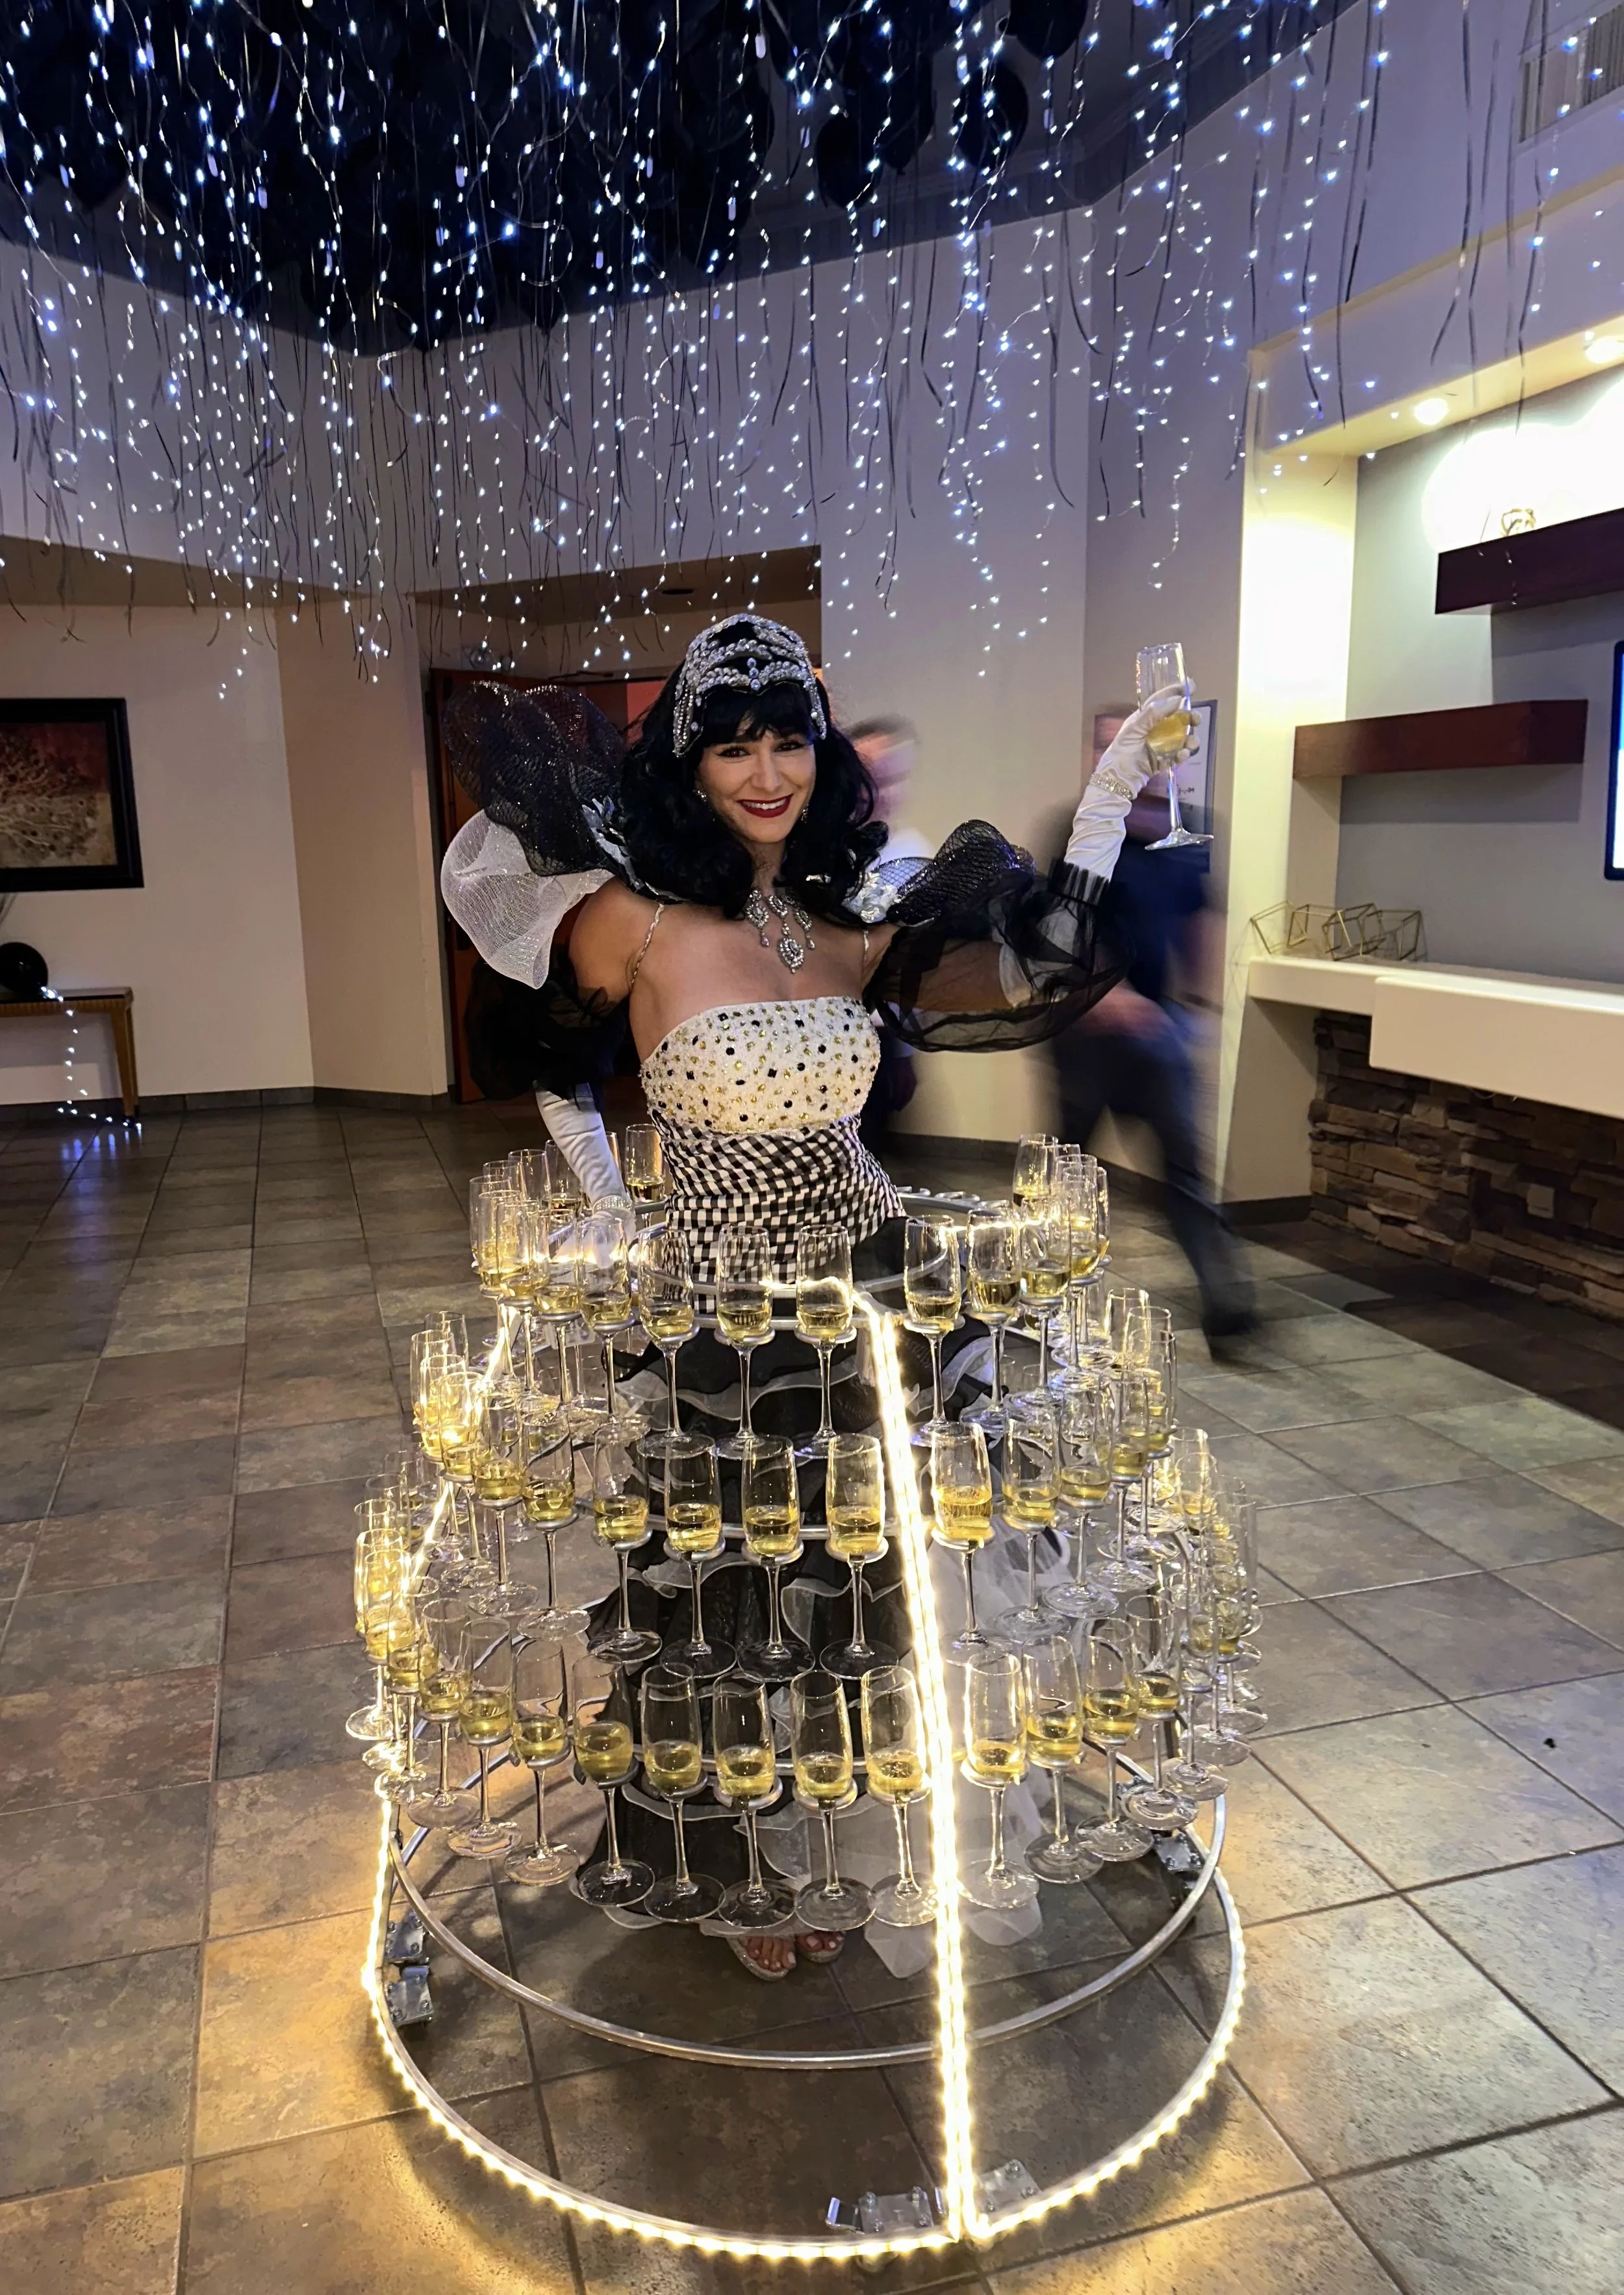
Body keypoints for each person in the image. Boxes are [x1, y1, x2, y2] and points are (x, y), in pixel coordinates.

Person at [439, 615, 1187, 1968]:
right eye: (734, 748)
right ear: (692, 770)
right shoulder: (634, 918)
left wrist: (1103, 804)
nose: (767, 771)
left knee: (871, 1589)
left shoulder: (848, 911)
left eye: (787, 740)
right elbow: (539, 1053)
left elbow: (1025, 973)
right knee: (728, 1597)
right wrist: (610, 1203)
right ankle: (731, 1859)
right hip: (724, 1303)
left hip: (872, 1275)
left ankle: (842, 1841)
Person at [1047, 763, 1255, 1345]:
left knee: (1186, 1170)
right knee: (1062, 1174)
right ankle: (1034, 1292)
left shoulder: (1188, 835)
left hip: (1160, 1041)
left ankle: (1226, 1304)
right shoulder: (1080, 829)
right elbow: (1058, 927)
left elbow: (1201, 919)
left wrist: (1198, 1009)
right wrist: (1109, 997)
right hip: (1084, 1035)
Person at [848, 715, 932, 1148]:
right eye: (871, 777)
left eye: (893, 778)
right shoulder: (810, 855)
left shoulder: (914, 854)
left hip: (883, 1042)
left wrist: (906, 1054)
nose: (881, 792)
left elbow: (919, 966)